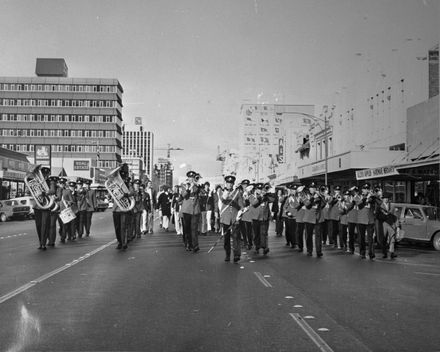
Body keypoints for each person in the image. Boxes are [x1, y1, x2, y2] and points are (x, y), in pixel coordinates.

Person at [220, 175, 244, 262]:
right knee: (226, 238)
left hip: (235, 217)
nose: (229, 185)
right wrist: (226, 192)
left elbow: (241, 205)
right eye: (228, 183)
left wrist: (240, 212)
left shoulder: (237, 192)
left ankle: (236, 255)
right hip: (226, 218)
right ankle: (227, 253)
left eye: (231, 183)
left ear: (233, 184)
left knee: (236, 237)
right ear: (225, 183)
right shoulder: (222, 191)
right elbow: (223, 199)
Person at [251, 182, 274, 255]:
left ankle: (265, 247)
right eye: (259, 189)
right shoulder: (252, 196)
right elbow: (254, 204)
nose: (260, 190)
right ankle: (256, 247)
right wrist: (260, 197)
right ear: (256, 189)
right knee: (256, 234)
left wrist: (269, 191)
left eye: (261, 189)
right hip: (256, 218)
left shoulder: (266, 196)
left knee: (264, 233)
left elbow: (273, 199)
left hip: (264, 217)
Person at [32, 166, 51, 250]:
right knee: (38, 225)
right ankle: (40, 242)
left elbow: (53, 191)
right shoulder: (35, 182)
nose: (43, 176)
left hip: (46, 206)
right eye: (42, 174)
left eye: (45, 174)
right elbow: (31, 191)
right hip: (37, 206)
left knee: (44, 225)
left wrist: (44, 193)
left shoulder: (50, 182)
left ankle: (43, 243)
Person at [181, 171, 201, 252]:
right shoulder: (184, 185)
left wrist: (197, 185)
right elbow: (184, 195)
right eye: (190, 178)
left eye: (193, 178)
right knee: (187, 228)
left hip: (195, 210)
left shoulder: (197, 186)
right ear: (188, 178)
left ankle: (195, 245)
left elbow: (200, 192)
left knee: (194, 228)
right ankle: (188, 244)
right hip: (187, 210)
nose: (191, 179)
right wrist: (189, 188)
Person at [303, 183, 324, 257]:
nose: (313, 189)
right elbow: (307, 205)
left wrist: (321, 196)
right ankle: (309, 250)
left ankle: (319, 251)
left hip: (317, 217)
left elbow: (324, 204)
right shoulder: (305, 196)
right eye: (312, 188)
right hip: (309, 218)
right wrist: (312, 198)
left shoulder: (319, 195)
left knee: (318, 236)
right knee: (308, 235)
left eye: (314, 188)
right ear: (309, 189)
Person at [355, 183, 376, 260]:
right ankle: (362, 252)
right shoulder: (358, 197)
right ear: (362, 190)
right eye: (364, 189)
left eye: (367, 189)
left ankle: (371, 253)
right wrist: (365, 198)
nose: (366, 190)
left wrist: (372, 196)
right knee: (361, 238)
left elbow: (375, 202)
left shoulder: (372, 197)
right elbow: (360, 205)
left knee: (370, 238)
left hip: (369, 220)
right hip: (361, 220)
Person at [378, 193, 398, 259]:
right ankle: (384, 252)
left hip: (391, 224)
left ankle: (391, 252)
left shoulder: (392, 206)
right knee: (383, 239)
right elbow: (378, 216)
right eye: (384, 198)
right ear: (383, 199)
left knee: (392, 239)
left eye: (387, 198)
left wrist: (397, 225)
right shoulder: (380, 206)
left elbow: (395, 216)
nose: (386, 200)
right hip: (383, 224)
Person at [282, 184, 299, 248]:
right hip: (289, 216)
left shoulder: (298, 197)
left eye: (294, 190)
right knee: (289, 230)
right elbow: (284, 206)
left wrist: (293, 200)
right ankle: (290, 241)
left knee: (295, 230)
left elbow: (297, 205)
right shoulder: (289, 197)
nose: (293, 191)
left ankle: (294, 242)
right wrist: (287, 212)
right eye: (292, 190)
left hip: (296, 216)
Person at [47, 175, 61, 247]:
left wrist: (55, 198)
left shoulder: (59, 189)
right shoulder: (47, 187)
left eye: (54, 182)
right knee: (47, 225)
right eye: (52, 182)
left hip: (54, 208)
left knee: (52, 225)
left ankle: (52, 241)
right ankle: (48, 239)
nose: (53, 183)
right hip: (47, 208)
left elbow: (59, 198)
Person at [239, 180, 253, 250]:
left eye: (246, 185)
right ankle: (245, 242)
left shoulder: (251, 193)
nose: (245, 186)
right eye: (244, 185)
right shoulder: (240, 192)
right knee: (243, 229)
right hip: (242, 213)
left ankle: (249, 243)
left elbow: (252, 202)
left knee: (248, 229)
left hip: (248, 213)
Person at [295, 185, 306, 253]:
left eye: (301, 192)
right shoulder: (295, 198)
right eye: (299, 192)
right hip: (299, 218)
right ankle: (300, 247)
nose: (300, 194)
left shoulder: (305, 197)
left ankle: (308, 248)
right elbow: (295, 207)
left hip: (306, 217)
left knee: (307, 234)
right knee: (299, 233)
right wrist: (299, 203)